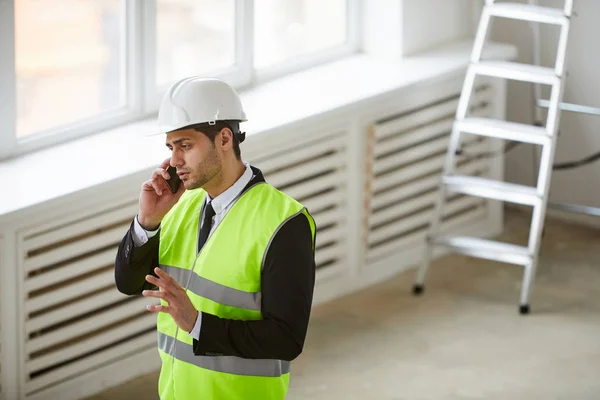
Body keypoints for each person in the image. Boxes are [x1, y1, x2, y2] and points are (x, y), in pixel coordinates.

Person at [114, 77, 317, 399]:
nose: (175, 160)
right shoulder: (181, 205)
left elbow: (286, 339)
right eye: (171, 148)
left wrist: (197, 324)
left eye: (185, 145)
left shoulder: (284, 222)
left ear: (224, 138)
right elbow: (129, 283)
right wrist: (147, 222)